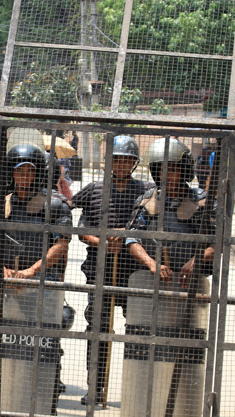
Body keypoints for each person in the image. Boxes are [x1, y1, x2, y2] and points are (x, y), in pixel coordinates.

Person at [124, 137, 215, 415]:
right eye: (161, 169)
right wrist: (152, 264)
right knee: (151, 353)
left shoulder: (201, 201)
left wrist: (196, 261)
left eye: (172, 168)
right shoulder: (147, 200)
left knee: (186, 354)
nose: (167, 174)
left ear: (184, 169)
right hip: (154, 291)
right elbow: (131, 239)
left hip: (190, 293)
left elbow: (218, 242)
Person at [72, 135, 153, 406]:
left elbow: (150, 228)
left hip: (134, 271)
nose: (121, 165)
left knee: (138, 329)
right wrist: (103, 241)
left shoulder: (146, 191)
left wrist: (126, 236)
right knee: (98, 328)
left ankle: (136, 392)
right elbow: (81, 230)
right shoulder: (94, 190)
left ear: (134, 163)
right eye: (116, 160)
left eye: (126, 160)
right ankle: (95, 388)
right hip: (100, 270)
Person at [0, 143, 73, 401]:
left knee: (45, 341)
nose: (24, 177)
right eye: (19, 171)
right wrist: (2, 270)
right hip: (8, 283)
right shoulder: (2, 203)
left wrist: (31, 272)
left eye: (29, 171)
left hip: (43, 283)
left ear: (38, 173)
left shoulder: (56, 204)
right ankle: (7, 397)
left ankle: (48, 396)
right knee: (8, 340)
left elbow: (61, 244)